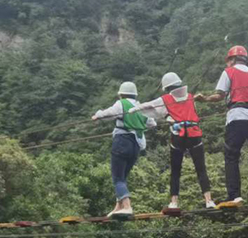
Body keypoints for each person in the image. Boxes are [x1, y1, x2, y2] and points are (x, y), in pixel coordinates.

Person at [195, 45, 248, 205]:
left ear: (232, 59)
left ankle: (235, 195)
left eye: (228, 60)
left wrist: (204, 99)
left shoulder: (229, 72)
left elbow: (219, 96)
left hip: (237, 117)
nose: (227, 64)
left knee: (231, 156)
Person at [126, 72, 216, 212]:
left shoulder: (165, 99)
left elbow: (148, 106)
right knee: (201, 169)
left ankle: (174, 202)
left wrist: (134, 109)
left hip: (178, 136)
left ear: (167, 88)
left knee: (175, 171)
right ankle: (209, 200)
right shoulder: (191, 97)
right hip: (194, 135)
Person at [92, 82, 156, 219]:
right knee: (122, 178)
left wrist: (97, 115)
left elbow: (109, 114)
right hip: (136, 146)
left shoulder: (122, 104)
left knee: (117, 178)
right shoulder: (140, 108)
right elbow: (152, 123)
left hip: (122, 142)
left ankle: (127, 207)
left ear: (121, 94)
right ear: (135, 94)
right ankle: (118, 207)